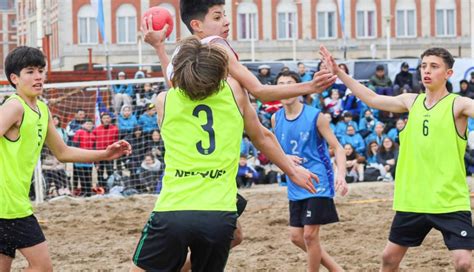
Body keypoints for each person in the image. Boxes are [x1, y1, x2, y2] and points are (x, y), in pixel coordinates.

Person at [131, 37, 318, 272]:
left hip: (173, 210)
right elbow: (263, 137)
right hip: (218, 215)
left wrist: (161, 48)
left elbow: (175, 82)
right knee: (232, 239)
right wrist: (292, 171)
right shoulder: (235, 94)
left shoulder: (164, 101)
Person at [321, 45, 474, 271]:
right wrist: (339, 73)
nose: (427, 71)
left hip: (449, 199)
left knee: (463, 263)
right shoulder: (410, 101)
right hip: (413, 198)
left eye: (434, 66)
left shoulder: (458, 104)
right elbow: (371, 98)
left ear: (448, 73)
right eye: (423, 66)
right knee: (389, 259)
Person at [0, 46, 131, 271]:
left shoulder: (42, 109)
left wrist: (105, 154)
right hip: (8, 204)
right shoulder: (14, 106)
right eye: (30, 71)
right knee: (42, 267)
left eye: (41, 70)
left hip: (13, 200)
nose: (38, 76)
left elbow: (63, 152)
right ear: (14, 78)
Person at [141, 0, 336, 104]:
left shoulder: (181, 52)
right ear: (196, 24)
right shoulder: (217, 48)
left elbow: (172, 81)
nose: (226, 21)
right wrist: (311, 86)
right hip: (219, 154)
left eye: (224, 15)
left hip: (189, 162)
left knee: (162, 100)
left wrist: (159, 48)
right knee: (237, 89)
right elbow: (260, 91)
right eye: (218, 17)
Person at [271, 70, 348, 272]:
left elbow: (338, 147)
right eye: (281, 84)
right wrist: (284, 158)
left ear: (299, 88)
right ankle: (337, 269)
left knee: (309, 235)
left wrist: (341, 174)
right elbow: (276, 151)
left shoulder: (316, 116)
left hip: (318, 180)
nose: (285, 88)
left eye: (290, 83)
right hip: (295, 181)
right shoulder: (275, 119)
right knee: (296, 237)